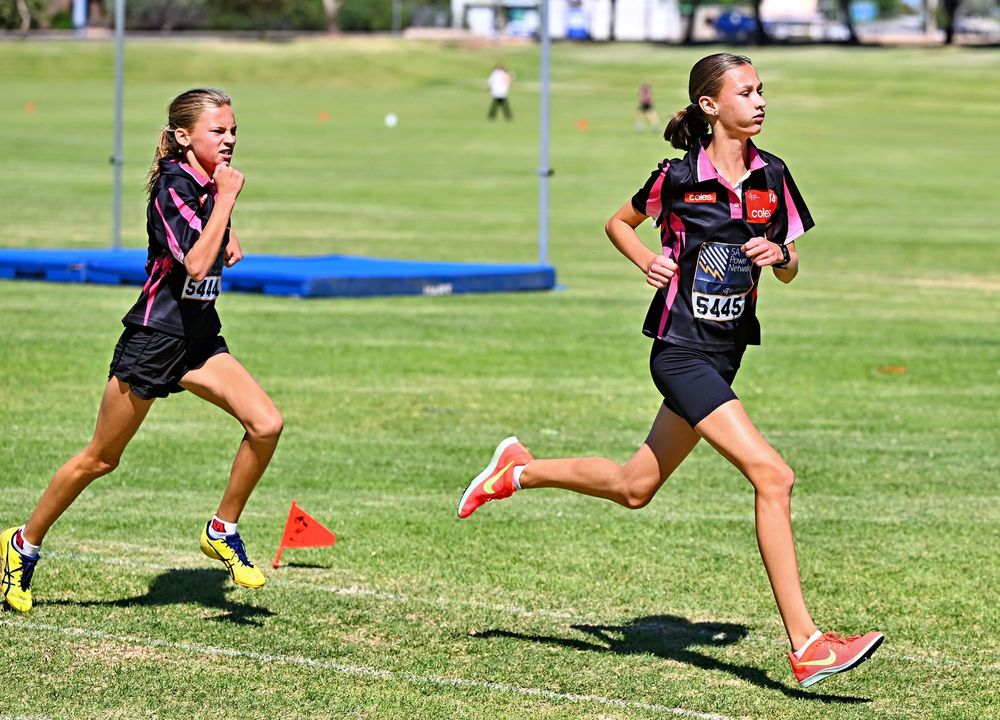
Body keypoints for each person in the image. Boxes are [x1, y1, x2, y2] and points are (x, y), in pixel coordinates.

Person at [457, 54, 884, 688]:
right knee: (774, 475)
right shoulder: (677, 177)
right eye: (746, 92)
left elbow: (791, 268)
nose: (760, 101)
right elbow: (618, 223)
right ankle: (809, 644)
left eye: (762, 91)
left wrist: (780, 254)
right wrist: (645, 260)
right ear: (711, 106)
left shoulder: (774, 174)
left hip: (726, 353)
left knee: (634, 487)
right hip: (680, 351)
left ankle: (517, 470)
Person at [1, 88, 283, 614]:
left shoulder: (208, 182)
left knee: (266, 424)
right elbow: (195, 263)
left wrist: (226, 218)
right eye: (218, 131)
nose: (229, 139)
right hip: (154, 340)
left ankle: (222, 529)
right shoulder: (173, 187)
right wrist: (226, 202)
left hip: (198, 339)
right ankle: (22, 544)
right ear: (183, 137)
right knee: (100, 458)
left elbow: (220, 245)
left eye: (233, 130)